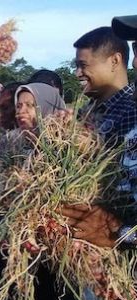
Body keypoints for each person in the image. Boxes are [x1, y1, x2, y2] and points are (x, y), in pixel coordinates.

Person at [73, 26, 137, 223]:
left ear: (115, 61)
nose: (77, 73)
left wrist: (116, 231)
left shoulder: (131, 111)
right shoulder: (82, 114)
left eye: (83, 65)